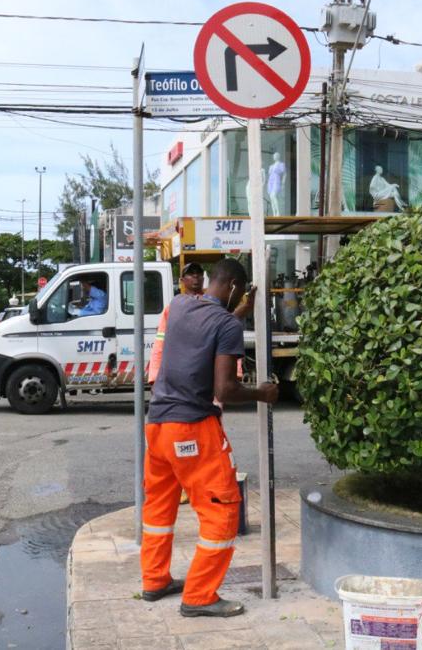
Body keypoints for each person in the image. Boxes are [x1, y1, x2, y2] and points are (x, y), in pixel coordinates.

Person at [140, 258, 277, 618]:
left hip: (156, 425)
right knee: (222, 508)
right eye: (239, 293)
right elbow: (225, 389)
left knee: (158, 508)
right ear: (232, 286)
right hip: (192, 428)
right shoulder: (225, 325)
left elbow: (208, 327)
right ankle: (199, 596)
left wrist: (239, 313)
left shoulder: (182, 304)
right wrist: (262, 393)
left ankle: (154, 581)